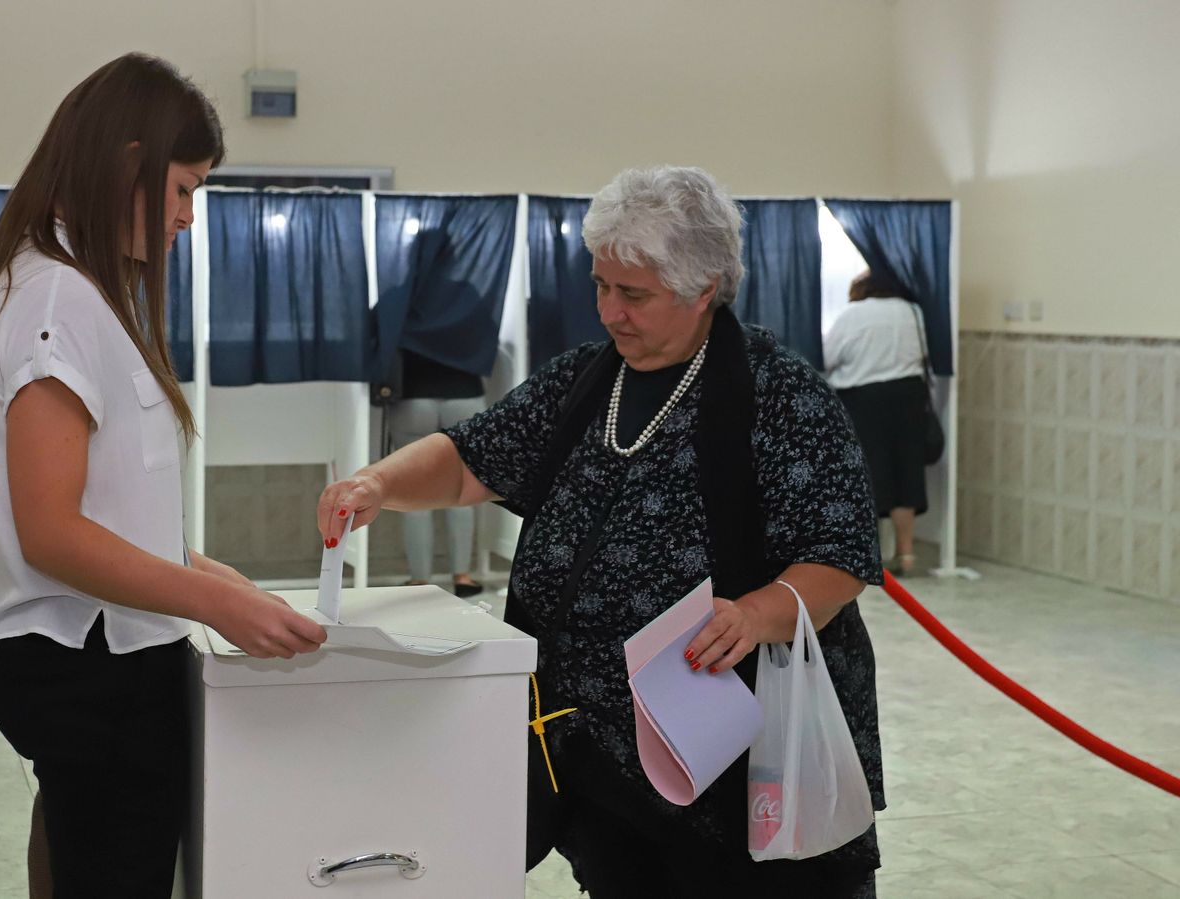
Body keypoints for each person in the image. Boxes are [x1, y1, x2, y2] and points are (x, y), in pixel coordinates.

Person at [318, 166, 886, 897]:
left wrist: (755, 613)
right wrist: (380, 483)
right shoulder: (586, 378)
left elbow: (837, 555)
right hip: (599, 761)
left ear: (704, 288)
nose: (609, 311)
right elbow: (469, 460)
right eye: (600, 286)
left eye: (634, 295)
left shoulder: (782, 395)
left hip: (731, 757)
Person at [0, 53, 327, 898]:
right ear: (127, 165)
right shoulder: (55, 301)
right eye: (185, 189)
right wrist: (216, 603)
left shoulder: (74, 285)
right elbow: (51, 530)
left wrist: (214, 574)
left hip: (98, 657)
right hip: (86, 663)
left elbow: (111, 505)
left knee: (85, 844)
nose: (188, 219)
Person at [825, 270, 931, 576]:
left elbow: (828, 356)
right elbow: (924, 353)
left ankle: (867, 556)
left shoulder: (854, 315)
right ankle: (906, 552)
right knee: (906, 473)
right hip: (908, 397)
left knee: (866, 475)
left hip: (863, 400)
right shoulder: (914, 312)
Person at [390, 348, 486, 596]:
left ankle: (419, 580)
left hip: (414, 395)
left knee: (413, 493)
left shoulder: (405, 308)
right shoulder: (475, 307)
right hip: (466, 394)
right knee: (465, 488)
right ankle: (462, 577)